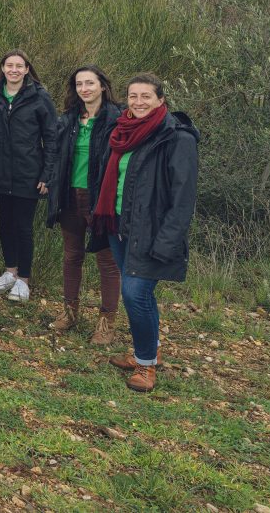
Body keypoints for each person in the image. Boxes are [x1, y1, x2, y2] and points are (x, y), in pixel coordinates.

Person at [95, 74, 198, 393]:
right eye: (133, 96)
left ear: (160, 100)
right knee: (138, 293)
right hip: (119, 225)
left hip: (151, 232)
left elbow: (183, 198)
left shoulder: (177, 138)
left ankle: (145, 366)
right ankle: (148, 350)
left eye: (146, 96)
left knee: (135, 294)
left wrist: (167, 241)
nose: (138, 102)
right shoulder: (122, 132)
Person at [0, 50, 58, 304]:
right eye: (9, 65)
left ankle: (24, 280)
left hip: (28, 173)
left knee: (23, 226)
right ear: (3, 68)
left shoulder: (40, 97)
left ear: (27, 69)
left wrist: (47, 174)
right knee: (4, 223)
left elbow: (51, 138)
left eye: (19, 66)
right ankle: (10, 271)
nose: (14, 70)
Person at [46, 66, 123, 345]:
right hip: (70, 195)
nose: (84, 88)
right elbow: (54, 155)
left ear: (103, 85)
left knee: (107, 261)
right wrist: (49, 181)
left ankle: (106, 323)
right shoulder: (68, 119)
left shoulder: (117, 118)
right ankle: (70, 312)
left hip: (101, 198)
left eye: (90, 83)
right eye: (79, 84)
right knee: (71, 256)